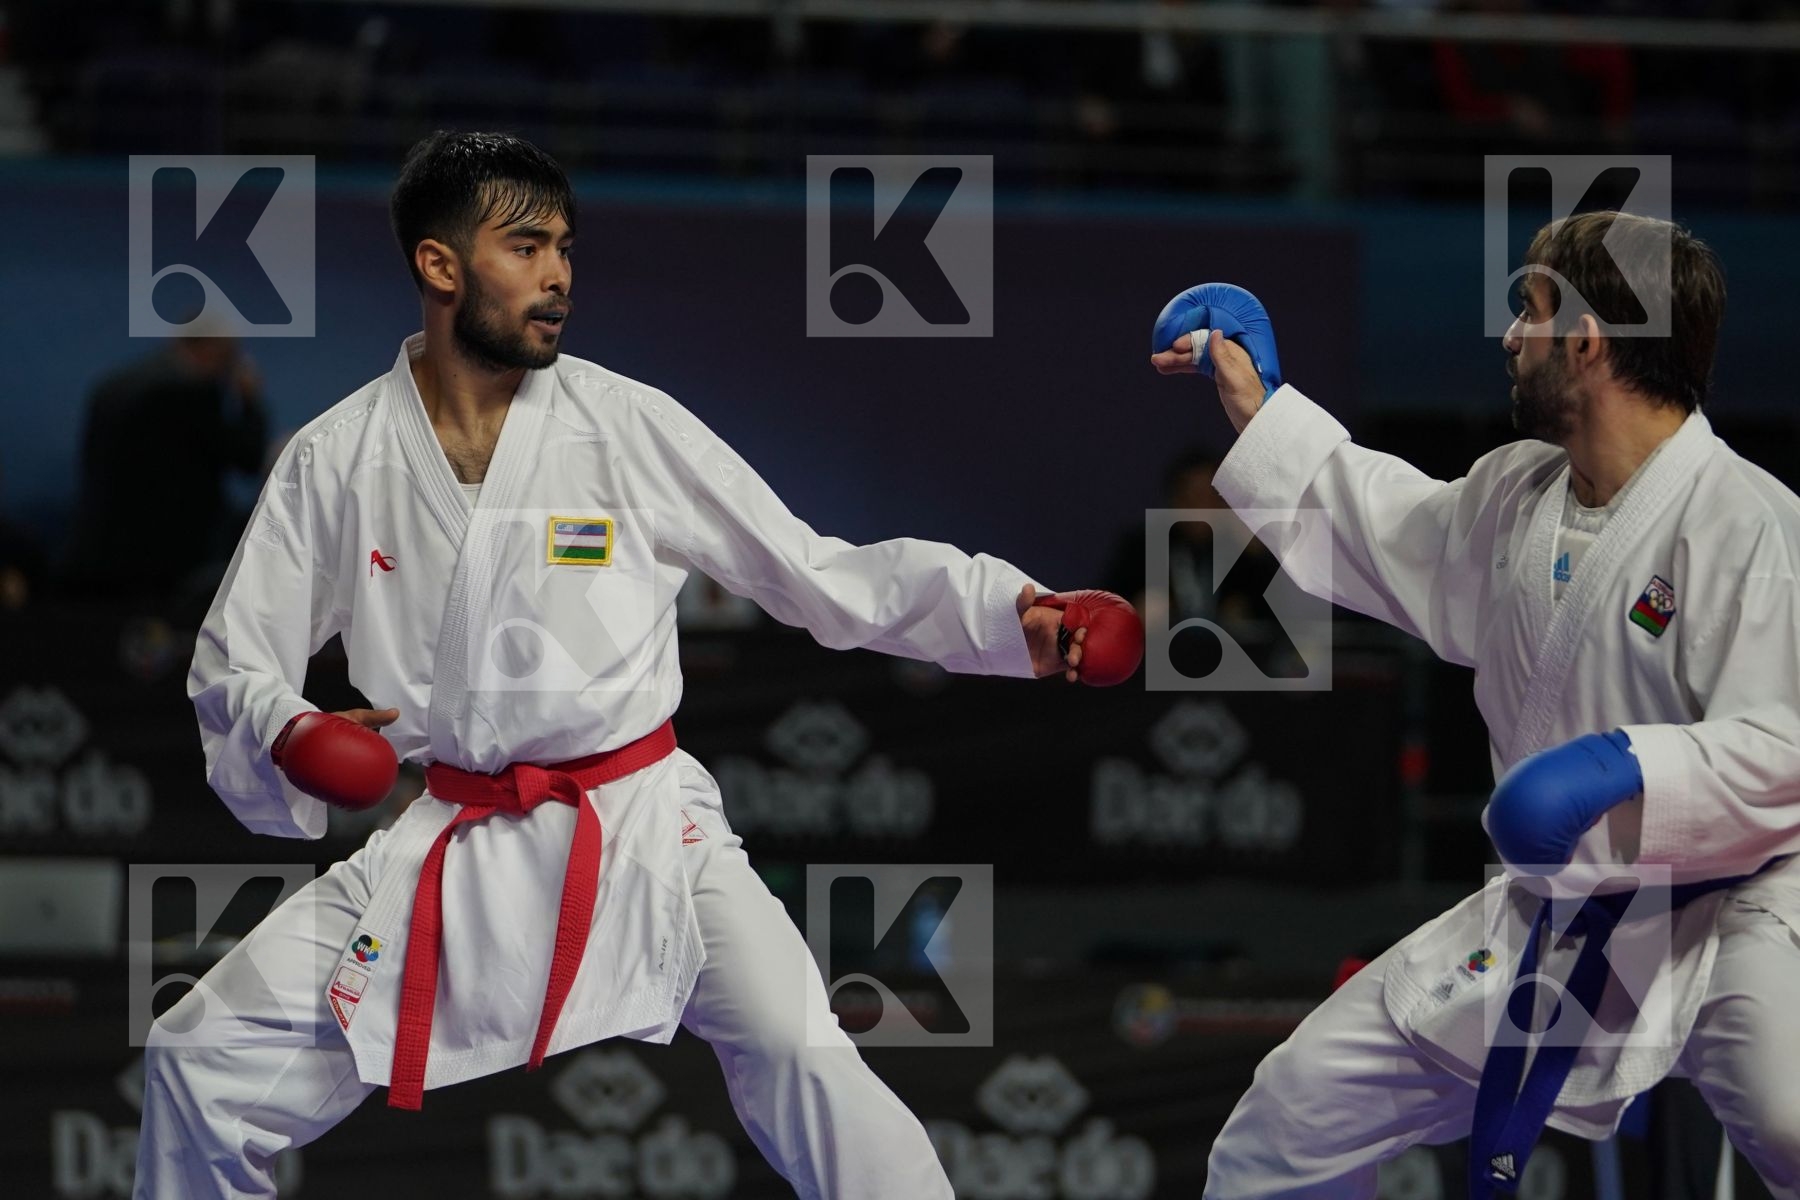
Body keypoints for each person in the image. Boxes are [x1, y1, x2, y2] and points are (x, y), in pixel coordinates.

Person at [135, 130, 1134, 1200]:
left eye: (566, 247)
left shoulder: (623, 424)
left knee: (809, 1065)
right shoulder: (336, 460)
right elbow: (234, 659)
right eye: (525, 247)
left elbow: (816, 571)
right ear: (439, 266)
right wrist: (288, 729)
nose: (559, 273)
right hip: (456, 844)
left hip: (651, 831)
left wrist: (1005, 612)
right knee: (198, 1064)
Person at [1152, 214, 1800, 1197]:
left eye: (1528, 310)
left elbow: (1783, 742)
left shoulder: (1751, 523)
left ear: (1588, 339)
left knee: (1791, 1120)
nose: (1509, 336)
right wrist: (1264, 405)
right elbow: (1385, 526)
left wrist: (1622, 768)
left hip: (1737, 907)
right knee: (1293, 1115)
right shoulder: (1515, 494)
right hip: (1561, 911)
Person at [61, 332, 268, 607]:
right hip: (164, 559)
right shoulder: (193, 394)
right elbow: (248, 458)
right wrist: (250, 402)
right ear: (212, 349)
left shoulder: (114, 386)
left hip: (98, 547)